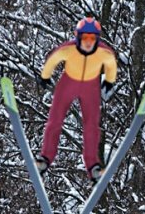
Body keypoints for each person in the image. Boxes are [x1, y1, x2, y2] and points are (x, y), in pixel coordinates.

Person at [36, 17, 117, 183]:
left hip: (90, 87)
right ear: (78, 37)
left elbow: (111, 64)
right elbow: (53, 59)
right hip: (68, 83)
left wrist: (109, 81)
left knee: (91, 126)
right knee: (55, 120)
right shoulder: (69, 49)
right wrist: (45, 76)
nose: (88, 42)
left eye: (92, 38)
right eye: (85, 38)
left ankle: (92, 165)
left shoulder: (104, 52)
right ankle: (45, 158)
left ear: (97, 39)